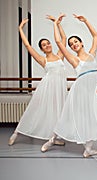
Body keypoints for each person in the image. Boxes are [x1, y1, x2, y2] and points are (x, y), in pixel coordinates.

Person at [41, 14, 97, 158]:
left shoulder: (92, 54)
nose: (73, 44)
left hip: (94, 90)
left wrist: (86, 20)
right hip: (81, 90)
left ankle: (88, 149)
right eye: (71, 44)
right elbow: (58, 41)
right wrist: (56, 24)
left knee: (93, 118)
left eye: (76, 41)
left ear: (81, 43)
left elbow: (96, 36)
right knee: (68, 117)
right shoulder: (74, 59)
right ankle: (52, 140)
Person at [8, 16, 67, 146]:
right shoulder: (42, 59)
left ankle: (53, 137)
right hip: (47, 87)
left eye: (48, 43)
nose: (47, 46)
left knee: (57, 113)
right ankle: (16, 133)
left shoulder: (60, 55)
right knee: (34, 109)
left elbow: (63, 39)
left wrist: (56, 24)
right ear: (41, 49)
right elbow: (27, 45)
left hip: (59, 88)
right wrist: (20, 29)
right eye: (44, 45)